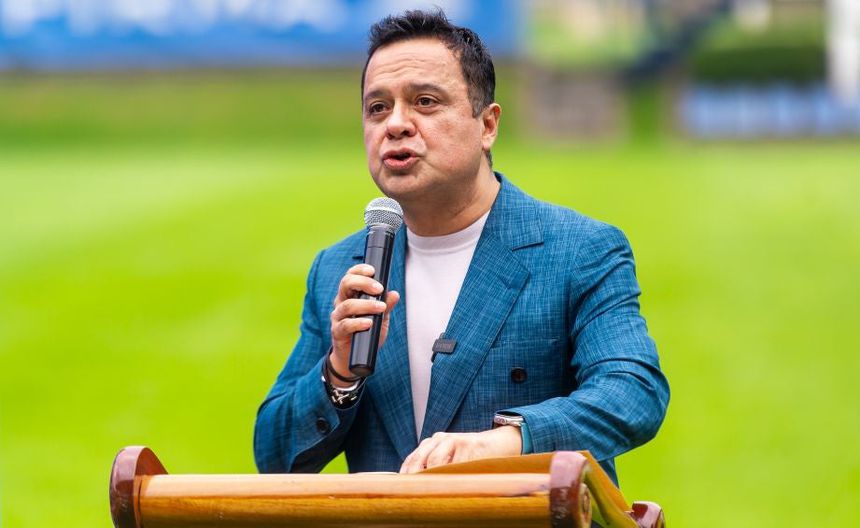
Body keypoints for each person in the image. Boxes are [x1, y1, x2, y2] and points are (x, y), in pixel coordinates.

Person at [254, 9, 669, 483]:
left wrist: (507, 441)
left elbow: (633, 393)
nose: (396, 124)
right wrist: (339, 375)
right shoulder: (338, 269)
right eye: (378, 108)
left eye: (425, 102)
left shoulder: (579, 251)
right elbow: (274, 455)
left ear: (487, 125)